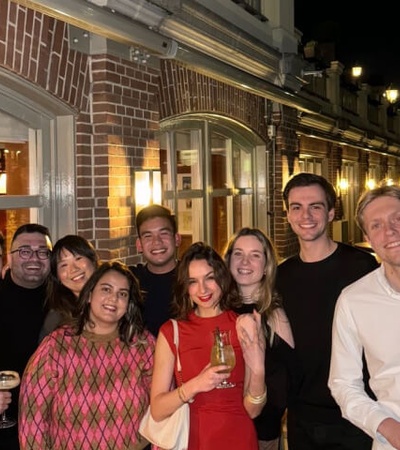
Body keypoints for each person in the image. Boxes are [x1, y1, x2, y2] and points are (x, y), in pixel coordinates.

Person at [275, 172, 380, 450]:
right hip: (303, 416)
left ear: (332, 212)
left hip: (358, 414)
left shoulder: (362, 267)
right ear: (287, 215)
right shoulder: (280, 277)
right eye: (296, 207)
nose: (305, 215)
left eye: (315, 206)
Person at [19, 260, 155, 450]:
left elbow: (161, 410)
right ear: (90, 294)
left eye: (122, 294)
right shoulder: (56, 347)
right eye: (106, 289)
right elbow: (32, 417)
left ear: (128, 304)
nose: (113, 298)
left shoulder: (144, 345)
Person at [150, 241, 266, 450]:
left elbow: (252, 411)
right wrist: (196, 385)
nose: (202, 289)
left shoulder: (244, 325)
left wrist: (258, 369)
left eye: (209, 278)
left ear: (222, 277)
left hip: (239, 439)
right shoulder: (171, 331)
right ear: (185, 287)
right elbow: (157, 410)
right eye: (192, 281)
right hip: (193, 440)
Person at [329, 185, 400, 450]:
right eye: (377, 225)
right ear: (368, 237)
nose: (390, 231)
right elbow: (342, 384)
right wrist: (387, 427)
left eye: (397, 219)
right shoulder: (353, 300)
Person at [224, 227, 295, 450]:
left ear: (266, 266)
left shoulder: (274, 315)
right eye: (238, 253)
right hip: (218, 429)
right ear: (228, 261)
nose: (245, 261)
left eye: (255, 255)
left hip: (260, 434)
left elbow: (286, 384)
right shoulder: (218, 309)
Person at [0, 223, 52, 450]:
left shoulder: (64, 300)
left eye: (42, 252)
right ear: (9, 258)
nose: (34, 258)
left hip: (52, 423)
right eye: (24, 251)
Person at [130, 204, 181, 336]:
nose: (156, 242)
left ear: (176, 239)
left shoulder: (194, 278)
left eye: (163, 233)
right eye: (148, 236)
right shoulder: (130, 280)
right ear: (139, 245)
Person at [39, 234, 100, 340]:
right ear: (57, 277)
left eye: (78, 258)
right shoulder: (56, 320)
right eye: (64, 265)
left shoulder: (116, 299)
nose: (73, 269)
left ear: (93, 260)